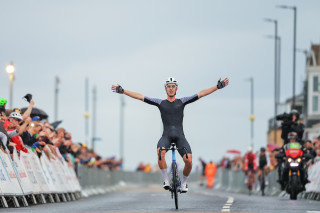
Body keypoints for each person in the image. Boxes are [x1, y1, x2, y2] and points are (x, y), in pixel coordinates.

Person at [111, 77, 229, 192]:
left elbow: (201, 94)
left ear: (176, 89)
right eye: (169, 87)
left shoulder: (182, 101)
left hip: (180, 137)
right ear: (165, 89)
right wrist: (123, 91)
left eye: (173, 86)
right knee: (160, 153)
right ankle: (166, 181)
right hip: (166, 136)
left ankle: (183, 183)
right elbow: (140, 97)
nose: (171, 89)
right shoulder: (160, 103)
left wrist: (217, 87)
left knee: (188, 160)